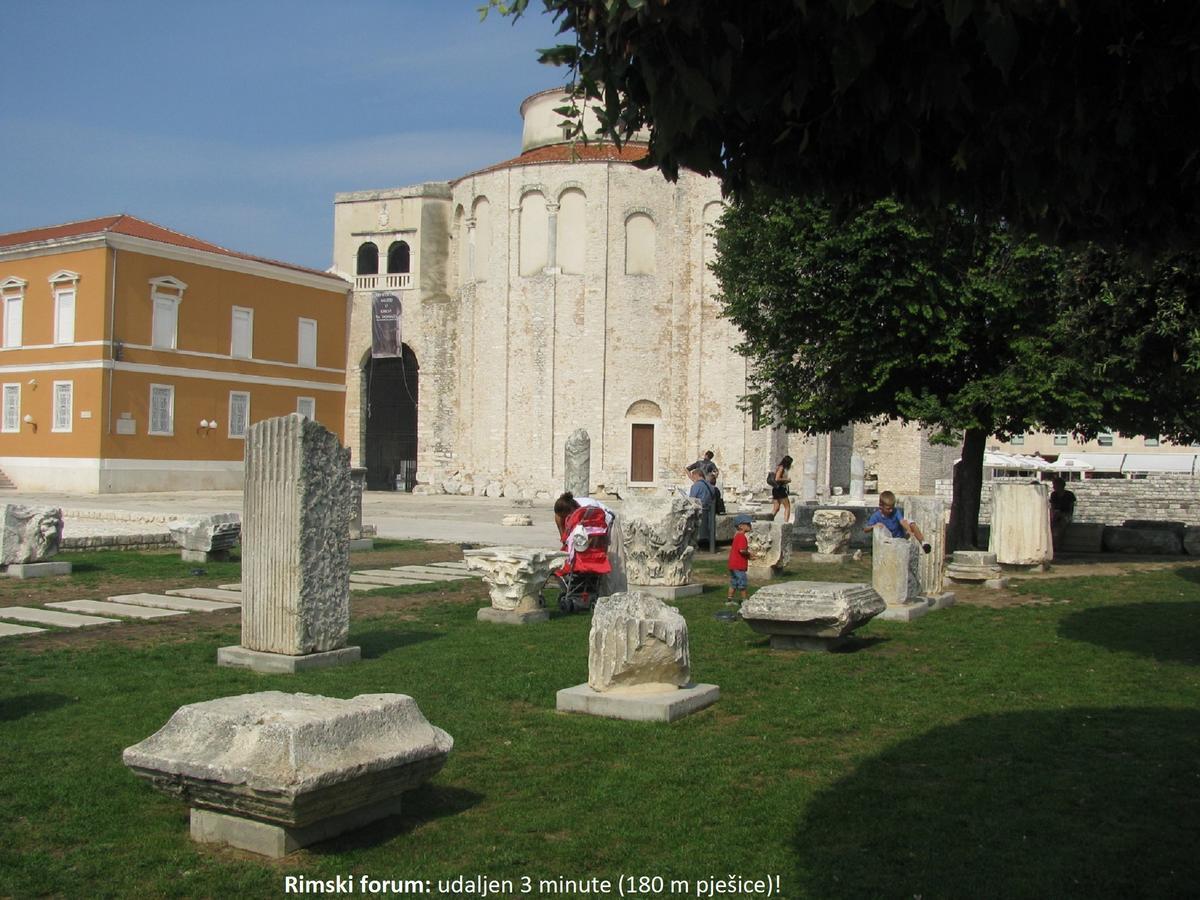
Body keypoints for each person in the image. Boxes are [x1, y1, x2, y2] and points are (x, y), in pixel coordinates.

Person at [864, 490, 930, 549]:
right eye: (888, 508)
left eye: (892, 508)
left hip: (900, 538)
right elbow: (865, 529)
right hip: (888, 541)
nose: (891, 510)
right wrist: (874, 526)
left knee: (911, 523)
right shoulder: (876, 516)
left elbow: (902, 521)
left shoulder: (895, 511)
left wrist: (909, 530)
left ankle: (923, 543)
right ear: (881, 506)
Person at [727, 513, 755, 605]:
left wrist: (748, 556)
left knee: (733, 582)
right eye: (748, 524)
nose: (750, 526)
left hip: (733, 564)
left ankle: (729, 600)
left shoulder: (737, 536)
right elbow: (742, 550)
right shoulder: (742, 537)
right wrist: (749, 553)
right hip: (739, 565)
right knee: (742, 583)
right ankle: (745, 600)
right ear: (741, 526)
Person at [688, 467, 716, 544]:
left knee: (699, 532)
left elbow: (692, 499)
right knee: (707, 530)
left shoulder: (696, 486)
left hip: (700, 510)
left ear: (697, 475)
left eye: (693, 477)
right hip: (710, 510)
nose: (693, 479)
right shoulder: (710, 486)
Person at [1049, 476, 1077, 550]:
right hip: (1056, 514)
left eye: (1055, 485)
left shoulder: (1069, 495)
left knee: (1062, 524)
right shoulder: (1053, 495)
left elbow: (1071, 508)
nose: (1053, 487)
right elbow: (1053, 507)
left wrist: (1065, 515)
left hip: (1066, 514)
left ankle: (1058, 544)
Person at [770, 455, 793, 523]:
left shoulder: (778, 467)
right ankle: (786, 523)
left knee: (776, 508)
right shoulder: (781, 468)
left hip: (775, 489)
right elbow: (777, 478)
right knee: (787, 506)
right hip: (780, 489)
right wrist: (787, 479)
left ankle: (769, 519)